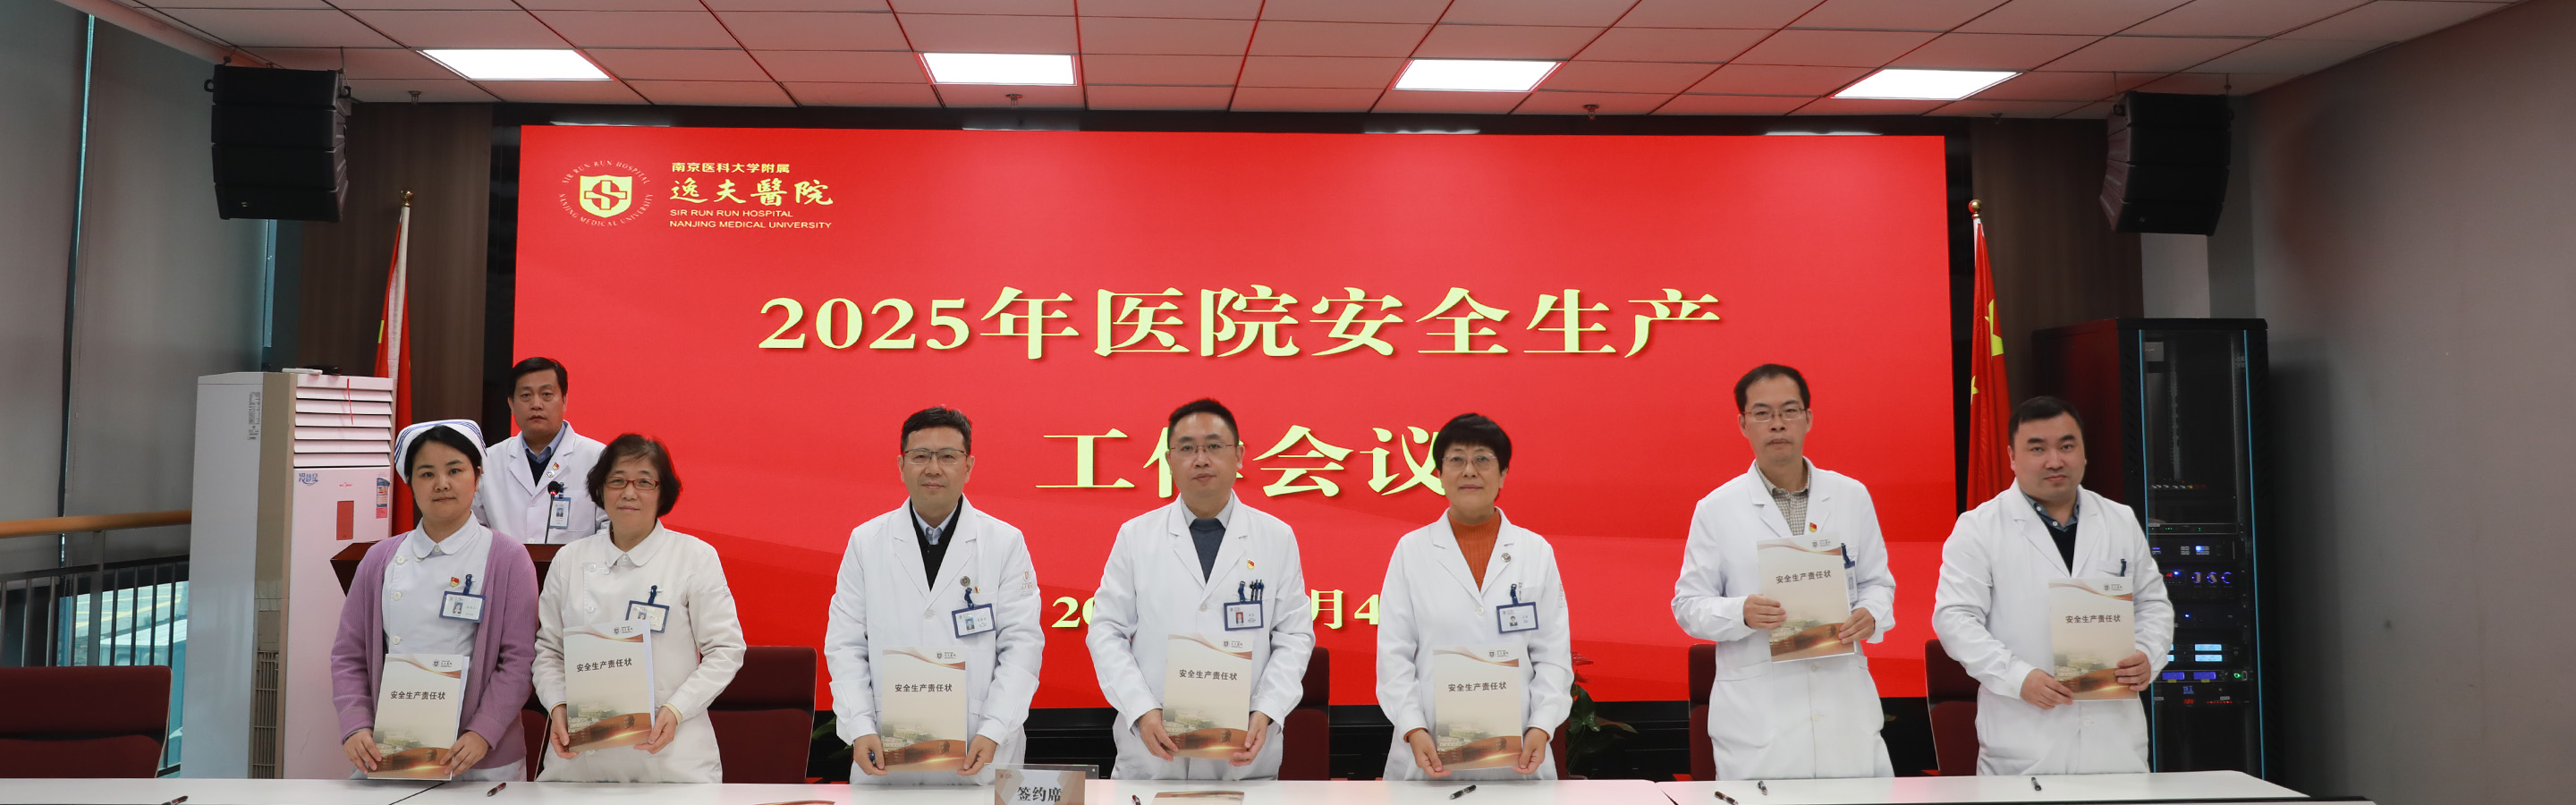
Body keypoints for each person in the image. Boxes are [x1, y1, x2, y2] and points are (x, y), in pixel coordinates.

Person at [1672, 365, 1898, 779]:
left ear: (1808, 418)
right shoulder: (1716, 509)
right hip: (1760, 719)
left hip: (1843, 704)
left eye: (1789, 410)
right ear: (1743, 424)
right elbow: (1687, 605)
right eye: (1762, 413)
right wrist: (1740, 612)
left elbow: (1877, 583)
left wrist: (1872, 613)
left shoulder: (1851, 496)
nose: (1777, 424)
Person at [1933, 396, 2174, 775]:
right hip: (2025, 740)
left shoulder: (2119, 520)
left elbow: (2153, 605)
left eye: (2066, 446)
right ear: (2012, 457)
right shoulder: (1979, 528)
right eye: (2037, 449)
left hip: (2114, 742)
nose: (2055, 461)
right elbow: (1955, 620)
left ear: (2083, 452)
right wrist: (2017, 677)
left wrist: (2147, 654)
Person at [1088, 398, 1316, 781]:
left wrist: (1268, 709)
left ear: (1238, 456)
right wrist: (1141, 709)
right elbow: (1106, 631)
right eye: (1187, 448)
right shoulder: (1136, 536)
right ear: (1169, 460)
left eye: (1213, 446)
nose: (1201, 459)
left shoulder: (1276, 537)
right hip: (1156, 751)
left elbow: (1294, 635)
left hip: (1242, 747)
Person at [824, 407, 1045, 784]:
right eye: (920, 456)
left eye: (947, 456)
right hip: (887, 751)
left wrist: (995, 728)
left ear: (968, 466)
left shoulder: (1004, 542)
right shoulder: (866, 542)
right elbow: (845, 644)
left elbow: (1022, 646)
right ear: (901, 465)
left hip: (979, 749)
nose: (933, 468)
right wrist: (859, 726)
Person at [332, 419, 540, 782]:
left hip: (479, 757)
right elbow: (348, 655)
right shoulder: (379, 559)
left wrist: (483, 732)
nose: (442, 483)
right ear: (410, 482)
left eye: (455, 470)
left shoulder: (508, 558)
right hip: (390, 748)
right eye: (427, 474)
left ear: (477, 476)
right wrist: (355, 725)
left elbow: (519, 660)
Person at [532, 434, 745, 783]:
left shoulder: (694, 557)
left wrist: (677, 709)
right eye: (617, 481)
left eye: (644, 482)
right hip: (580, 761)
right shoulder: (570, 559)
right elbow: (549, 651)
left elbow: (726, 650)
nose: (629, 493)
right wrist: (557, 705)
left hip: (673, 760)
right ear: (601, 489)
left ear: (663, 492)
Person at [1376, 414, 1572, 781]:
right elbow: (1394, 655)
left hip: (1519, 752)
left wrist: (1542, 725)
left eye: (1482, 459)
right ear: (1439, 473)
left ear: (1503, 474)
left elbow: (1553, 655)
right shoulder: (1411, 550)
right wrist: (1413, 727)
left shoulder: (1535, 551)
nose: (1469, 470)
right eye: (1457, 459)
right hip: (1430, 750)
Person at [476, 357, 606, 545]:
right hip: (506, 564)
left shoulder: (598, 458)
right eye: (526, 395)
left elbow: (610, 527)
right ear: (511, 404)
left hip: (579, 564)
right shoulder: (488, 461)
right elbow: (474, 528)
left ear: (564, 401)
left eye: (546, 394)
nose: (536, 404)